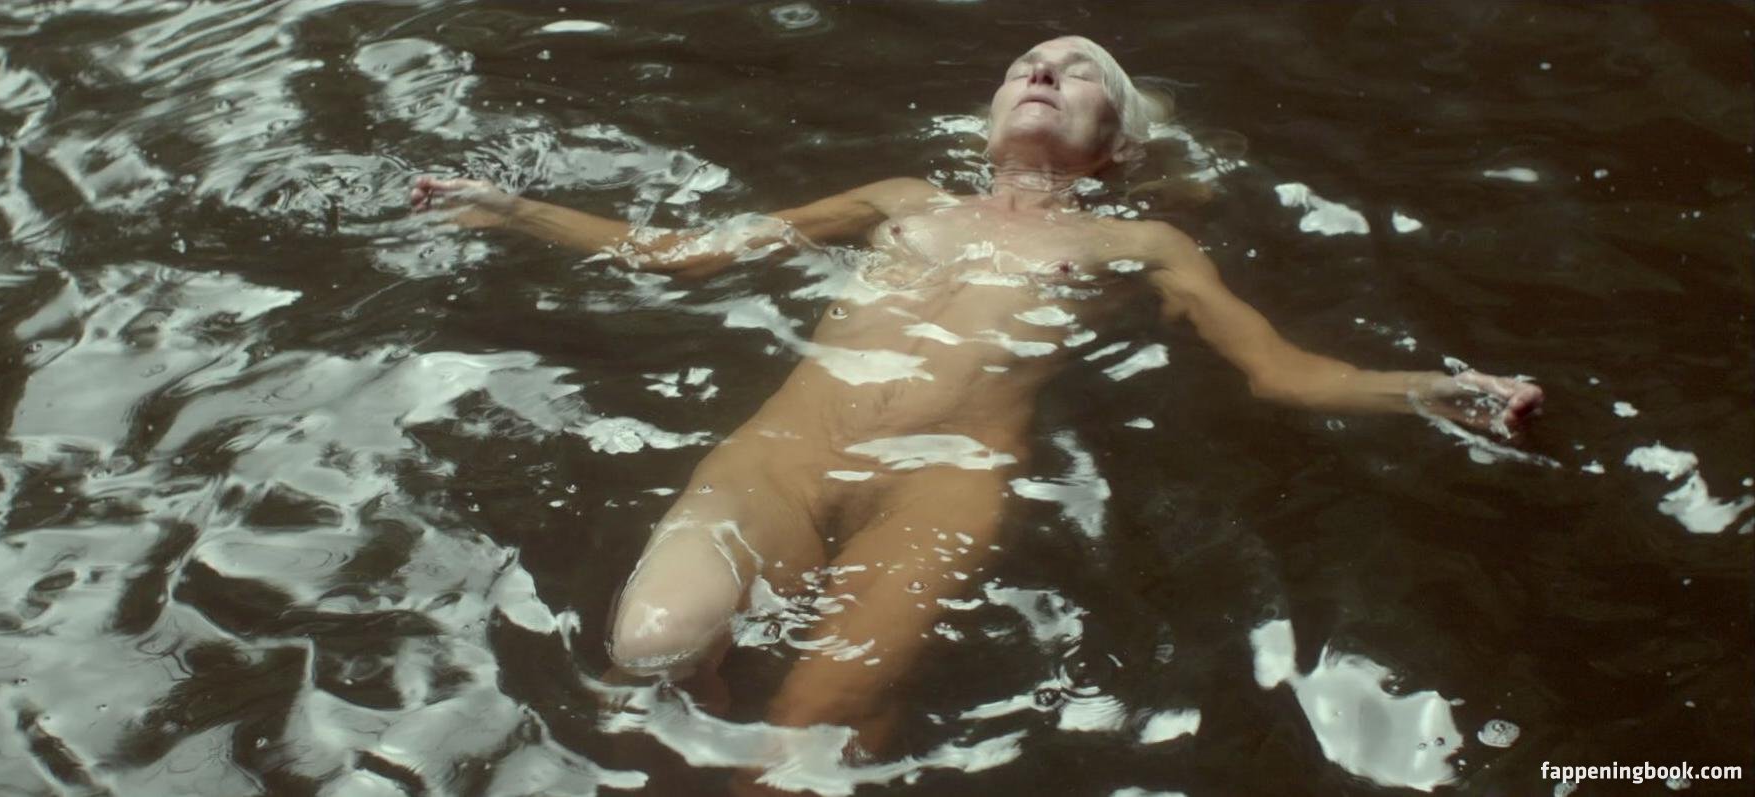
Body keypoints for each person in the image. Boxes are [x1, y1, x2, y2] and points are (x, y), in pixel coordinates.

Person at [410, 35, 1542, 790]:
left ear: (1119, 142)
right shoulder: (902, 199)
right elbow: (688, 253)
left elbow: (1278, 372)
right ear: (988, 115)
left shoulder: (1141, 240)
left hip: (943, 487)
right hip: (781, 457)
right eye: (1025, 65)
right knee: (650, 646)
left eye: (1079, 71)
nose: (1044, 68)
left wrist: (1433, 391)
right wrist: (513, 210)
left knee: (802, 747)